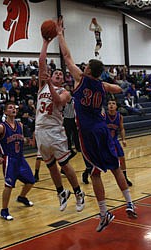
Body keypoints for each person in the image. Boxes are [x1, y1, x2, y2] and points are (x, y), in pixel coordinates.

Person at [56, 17, 137, 232]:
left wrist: (60, 34)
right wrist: (123, 84)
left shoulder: (80, 78)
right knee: (115, 167)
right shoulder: (102, 86)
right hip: (102, 129)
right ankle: (129, 202)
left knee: (94, 173)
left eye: (86, 65)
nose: (83, 65)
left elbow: (66, 56)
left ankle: (103, 213)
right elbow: (119, 89)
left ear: (89, 70)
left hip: (89, 132)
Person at [35, 36, 85, 212]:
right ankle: (61, 192)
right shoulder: (42, 86)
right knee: (50, 166)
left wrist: (49, 82)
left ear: (62, 80)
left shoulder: (66, 92)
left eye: (60, 74)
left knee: (64, 164)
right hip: (40, 130)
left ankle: (78, 192)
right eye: (55, 73)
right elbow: (41, 62)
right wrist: (45, 43)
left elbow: (57, 102)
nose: (57, 74)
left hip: (55, 130)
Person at [0, 101, 35, 220]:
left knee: (31, 181)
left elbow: (20, 139)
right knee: (9, 186)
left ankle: (22, 197)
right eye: (10, 108)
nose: (14, 109)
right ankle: (4, 210)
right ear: (5, 111)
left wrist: (28, 141)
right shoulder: (1, 127)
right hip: (9, 159)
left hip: (20, 158)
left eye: (15, 108)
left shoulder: (20, 125)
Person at [82, 98, 133, 186]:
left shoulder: (119, 116)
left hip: (114, 141)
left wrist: (124, 139)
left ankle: (125, 178)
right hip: (103, 141)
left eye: (113, 103)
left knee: (122, 158)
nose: (111, 105)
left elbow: (121, 128)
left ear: (116, 106)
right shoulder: (103, 116)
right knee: (98, 161)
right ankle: (86, 172)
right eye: (109, 103)